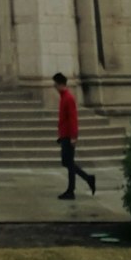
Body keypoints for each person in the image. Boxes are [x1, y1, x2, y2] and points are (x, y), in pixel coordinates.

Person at [52, 72, 96, 200]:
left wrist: (73, 136)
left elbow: (73, 119)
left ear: (60, 84)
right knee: (68, 162)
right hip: (65, 135)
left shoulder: (68, 98)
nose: (54, 86)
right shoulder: (63, 97)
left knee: (68, 162)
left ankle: (76, 187)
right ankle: (84, 181)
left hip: (68, 135)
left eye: (55, 84)